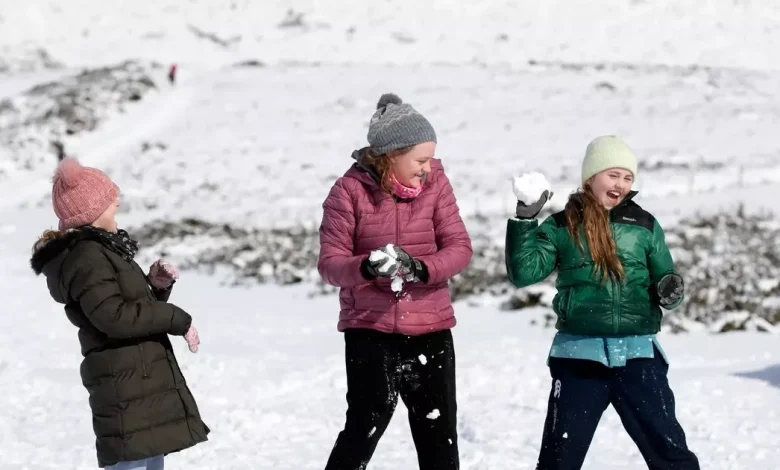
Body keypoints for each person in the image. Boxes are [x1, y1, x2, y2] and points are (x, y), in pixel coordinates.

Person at [505, 136, 700, 470]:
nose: (621, 184)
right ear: (590, 178)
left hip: (639, 357)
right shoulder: (562, 225)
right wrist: (525, 220)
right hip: (580, 357)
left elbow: (667, 280)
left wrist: (671, 290)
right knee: (559, 459)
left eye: (627, 177)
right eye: (613, 175)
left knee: (671, 454)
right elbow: (524, 273)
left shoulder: (645, 225)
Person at [318, 93, 473, 470]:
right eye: (420, 160)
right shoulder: (348, 191)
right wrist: (368, 267)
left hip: (430, 327)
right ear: (391, 155)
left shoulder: (437, 184)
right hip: (369, 329)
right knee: (365, 424)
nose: (427, 168)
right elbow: (330, 264)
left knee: (438, 433)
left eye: (430, 159)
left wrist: (421, 268)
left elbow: (460, 247)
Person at [30, 157, 209, 470]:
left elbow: (124, 306)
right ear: (92, 211)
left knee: (150, 461)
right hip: (125, 389)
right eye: (110, 201)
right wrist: (174, 318)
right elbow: (114, 318)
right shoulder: (86, 256)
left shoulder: (102, 250)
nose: (117, 203)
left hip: (139, 384)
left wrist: (155, 287)